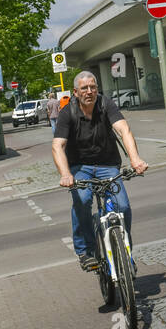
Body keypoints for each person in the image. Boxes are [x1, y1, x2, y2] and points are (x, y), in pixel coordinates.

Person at [53, 71, 149, 271]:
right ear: (76, 92)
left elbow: (124, 130)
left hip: (108, 165)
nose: (89, 92)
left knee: (122, 206)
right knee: (83, 200)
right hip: (80, 168)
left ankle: (125, 250)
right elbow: (58, 146)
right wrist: (65, 174)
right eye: (84, 88)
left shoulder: (106, 105)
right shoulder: (67, 113)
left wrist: (135, 159)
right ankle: (85, 251)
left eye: (93, 87)